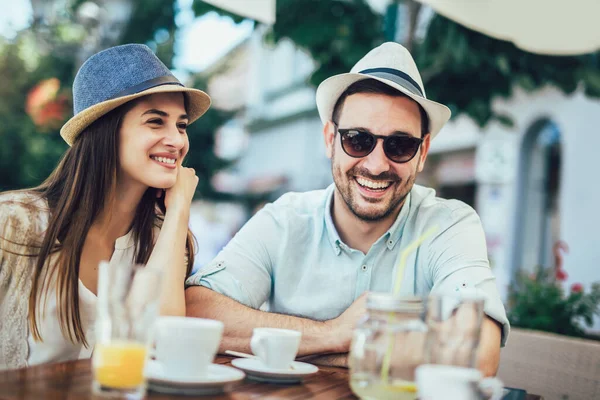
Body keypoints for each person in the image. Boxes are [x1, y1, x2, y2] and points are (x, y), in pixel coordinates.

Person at [185, 42, 509, 376]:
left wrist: (327, 351)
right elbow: (195, 313)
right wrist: (333, 333)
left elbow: (478, 355)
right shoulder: (284, 220)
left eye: (400, 145)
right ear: (329, 139)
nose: (376, 164)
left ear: (423, 151)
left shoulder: (448, 225)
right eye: (357, 139)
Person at [0, 44, 211, 370]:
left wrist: (179, 209)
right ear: (104, 131)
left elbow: (161, 348)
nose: (178, 140)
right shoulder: (14, 222)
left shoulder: (164, 237)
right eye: (156, 121)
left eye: (181, 125)